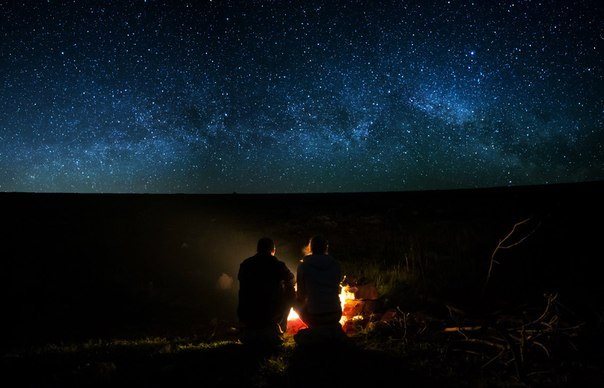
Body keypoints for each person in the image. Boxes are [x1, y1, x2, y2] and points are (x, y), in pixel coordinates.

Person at [237, 237, 295, 347]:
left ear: (258, 249)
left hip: (247, 312)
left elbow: (242, 288)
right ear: (273, 250)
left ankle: (251, 329)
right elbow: (290, 279)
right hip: (271, 313)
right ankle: (279, 328)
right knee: (290, 294)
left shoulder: (246, 264)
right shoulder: (277, 264)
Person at [295, 236, 343, 331]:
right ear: (326, 248)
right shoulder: (336, 265)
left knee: (292, 300)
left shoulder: (303, 266)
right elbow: (337, 289)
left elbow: (301, 295)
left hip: (314, 317)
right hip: (336, 314)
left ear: (311, 248)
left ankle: (313, 328)